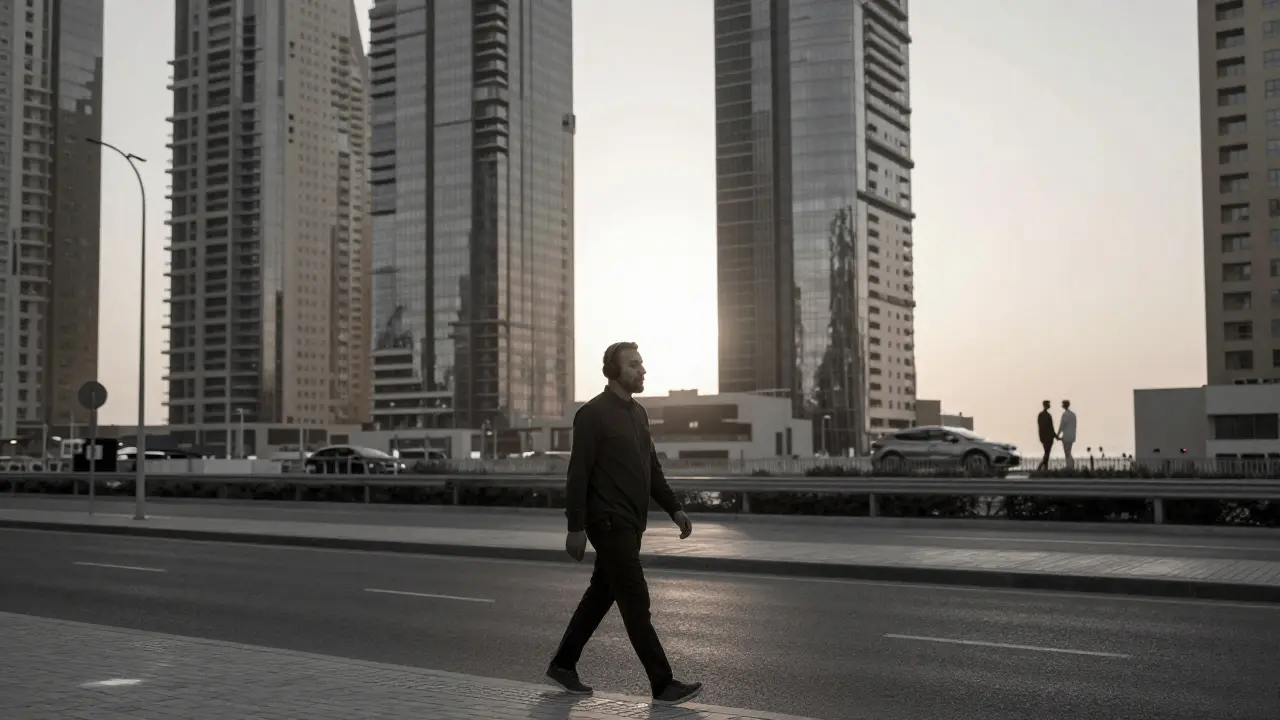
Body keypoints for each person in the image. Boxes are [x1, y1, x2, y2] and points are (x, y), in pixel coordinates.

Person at [545, 341, 703, 706]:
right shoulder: (593, 415)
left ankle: (563, 664)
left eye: (642, 363)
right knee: (635, 599)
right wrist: (575, 526)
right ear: (613, 371)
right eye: (633, 364)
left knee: (602, 594)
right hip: (608, 521)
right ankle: (662, 684)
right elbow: (578, 474)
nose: (642, 370)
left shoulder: (639, 414)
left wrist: (675, 509)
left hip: (632, 524)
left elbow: (652, 468)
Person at [1058, 400, 1077, 470]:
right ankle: (1070, 466)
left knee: (1067, 452)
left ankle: (1070, 467)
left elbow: (1062, 425)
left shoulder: (1065, 414)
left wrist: (1057, 435)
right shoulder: (1073, 415)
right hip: (1072, 436)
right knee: (1068, 451)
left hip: (1066, 436)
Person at [1037, 400, 1056, 471]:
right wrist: (1055, 436)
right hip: (1047, 438)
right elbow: (1050, 428)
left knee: (1047, 453)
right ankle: (1040, 467)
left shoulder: (1042, 415)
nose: (1049, 405)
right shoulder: (1045, 415)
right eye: (1048, 404)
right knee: (1047, 453)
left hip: (1046, 437)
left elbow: (1050, 428)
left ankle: (1045, 469)